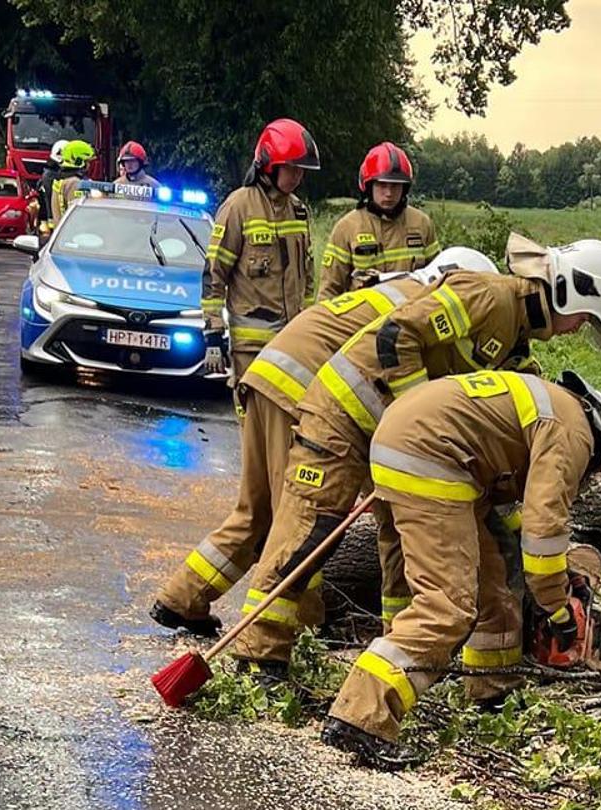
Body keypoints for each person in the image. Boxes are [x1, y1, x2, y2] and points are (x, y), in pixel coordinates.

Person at [227, 234, 601, 676]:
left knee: (404, 544)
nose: (577, 330)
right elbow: (396, 335)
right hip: (344, 414)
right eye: (584, 319)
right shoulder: (489, 296)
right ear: (572, 289)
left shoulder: (516, 343)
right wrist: (413, 414)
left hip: (395, 439)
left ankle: (398, 658)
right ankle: (258, 655)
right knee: (309, 531)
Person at [150, 247, 499, 637]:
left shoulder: (395, 289)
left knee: (257, 510)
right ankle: (304, 629)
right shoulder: (425, 310)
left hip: (267, 377)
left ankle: (182, 599)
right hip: (303, 396)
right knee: (303, 523)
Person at [321, 370, 601, 768]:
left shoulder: (563, 409)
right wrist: (558, 608)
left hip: (426, 449)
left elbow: (513, 501)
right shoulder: (575, 434)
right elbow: (543, 532)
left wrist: (533, 558)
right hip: (433, 457)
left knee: (495, 574)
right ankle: (360, 718)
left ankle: (493, 690)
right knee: (446, 606)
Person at [200, 119, 319, 383]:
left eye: (301, 170)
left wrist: (308, 327)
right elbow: (214, 274)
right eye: (291, 169)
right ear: (269, 165)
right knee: (253, 419)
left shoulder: (299, 210)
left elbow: (308, 277)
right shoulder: (238, 206)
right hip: (250, 349)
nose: (298, 176)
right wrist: (213, 334)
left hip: (292, 344)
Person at [318, 142, 439, 300]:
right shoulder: (347, 227)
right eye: (382, 185)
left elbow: (437, 279)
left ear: (405, 188)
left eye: (395, 186)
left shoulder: (422, 224)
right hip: (363, 320)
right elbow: (329, 289)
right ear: (369, 186)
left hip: (409, 318)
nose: (389, 193)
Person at [46, 138, 96, 235]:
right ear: (78, 161)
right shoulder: (75, 184)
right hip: (74, 237)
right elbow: (79, 217)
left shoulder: (61, 180)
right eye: (87, 161)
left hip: (62, 236)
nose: (89, 165)